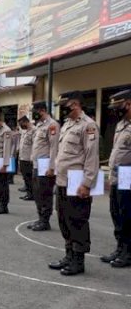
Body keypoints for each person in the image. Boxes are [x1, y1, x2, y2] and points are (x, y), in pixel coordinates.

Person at [48, 91, 99, 276]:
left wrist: (87, 183)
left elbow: (91, 157)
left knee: (77, 220)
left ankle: (78, 261)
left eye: (65, 106)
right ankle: (69, 255)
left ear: (75, 104)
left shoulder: (88, 126)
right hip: (63, 181)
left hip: (77, 182)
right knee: (64, 220)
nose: (61, 110)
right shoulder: (67, 124)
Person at [102, 89, 131, 268]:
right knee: (116, 212)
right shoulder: (120, 124)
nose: (116, 110)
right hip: (117, 173)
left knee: (127, 213)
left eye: (119, 106)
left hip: (128, 173)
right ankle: (120, 247)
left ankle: (128, 252)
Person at [29, 101, 60, 231]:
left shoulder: (52, 125)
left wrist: (52, 167)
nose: (33, 114)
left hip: (45, 165)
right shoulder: (39, 125)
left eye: (35, 111)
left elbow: (54, 147)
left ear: (42, 110)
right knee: (37, 193)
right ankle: (40, 217)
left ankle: (45, 221)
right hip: (37, 164)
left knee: (45, 193)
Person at [18, 116, 35, 201]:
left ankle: (31, 194)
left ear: (26, 122)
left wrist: (32, 157)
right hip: (22, 157)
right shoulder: (24, 131)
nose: (20, 125)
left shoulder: (33, 130)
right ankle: (28, 193)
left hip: (28, 158)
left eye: (21, 123)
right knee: (25, 177)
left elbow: (34, 145)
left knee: (29, 177)